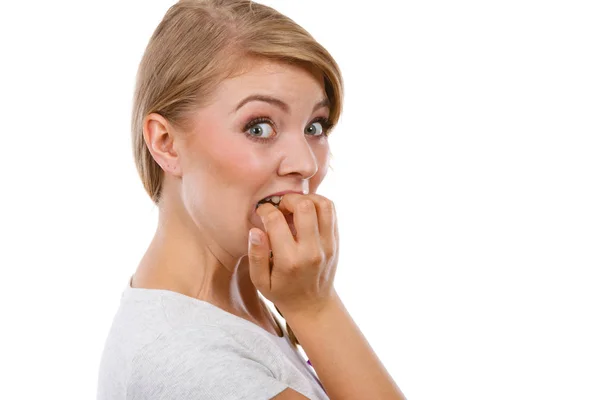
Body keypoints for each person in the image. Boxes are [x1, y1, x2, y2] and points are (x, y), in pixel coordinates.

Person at [97, 1, 406, 399]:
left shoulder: (248, 301)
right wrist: (316, 307)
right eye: (259, 127)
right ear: (166, 143)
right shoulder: (188, 362)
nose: (306, 163)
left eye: (315, 125)